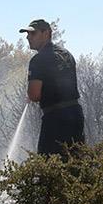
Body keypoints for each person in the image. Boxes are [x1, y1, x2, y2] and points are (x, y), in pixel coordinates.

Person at [19, 19, 86, 156]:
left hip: (56, 119)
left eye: (33, 34)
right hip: (76, 115)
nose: (28, 37)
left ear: (47, 33)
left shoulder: (38, 60)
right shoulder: (67, 55)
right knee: (75, 163)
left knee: (49, 164)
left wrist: (31, 93)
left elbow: (34, 95)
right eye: (27, 34)